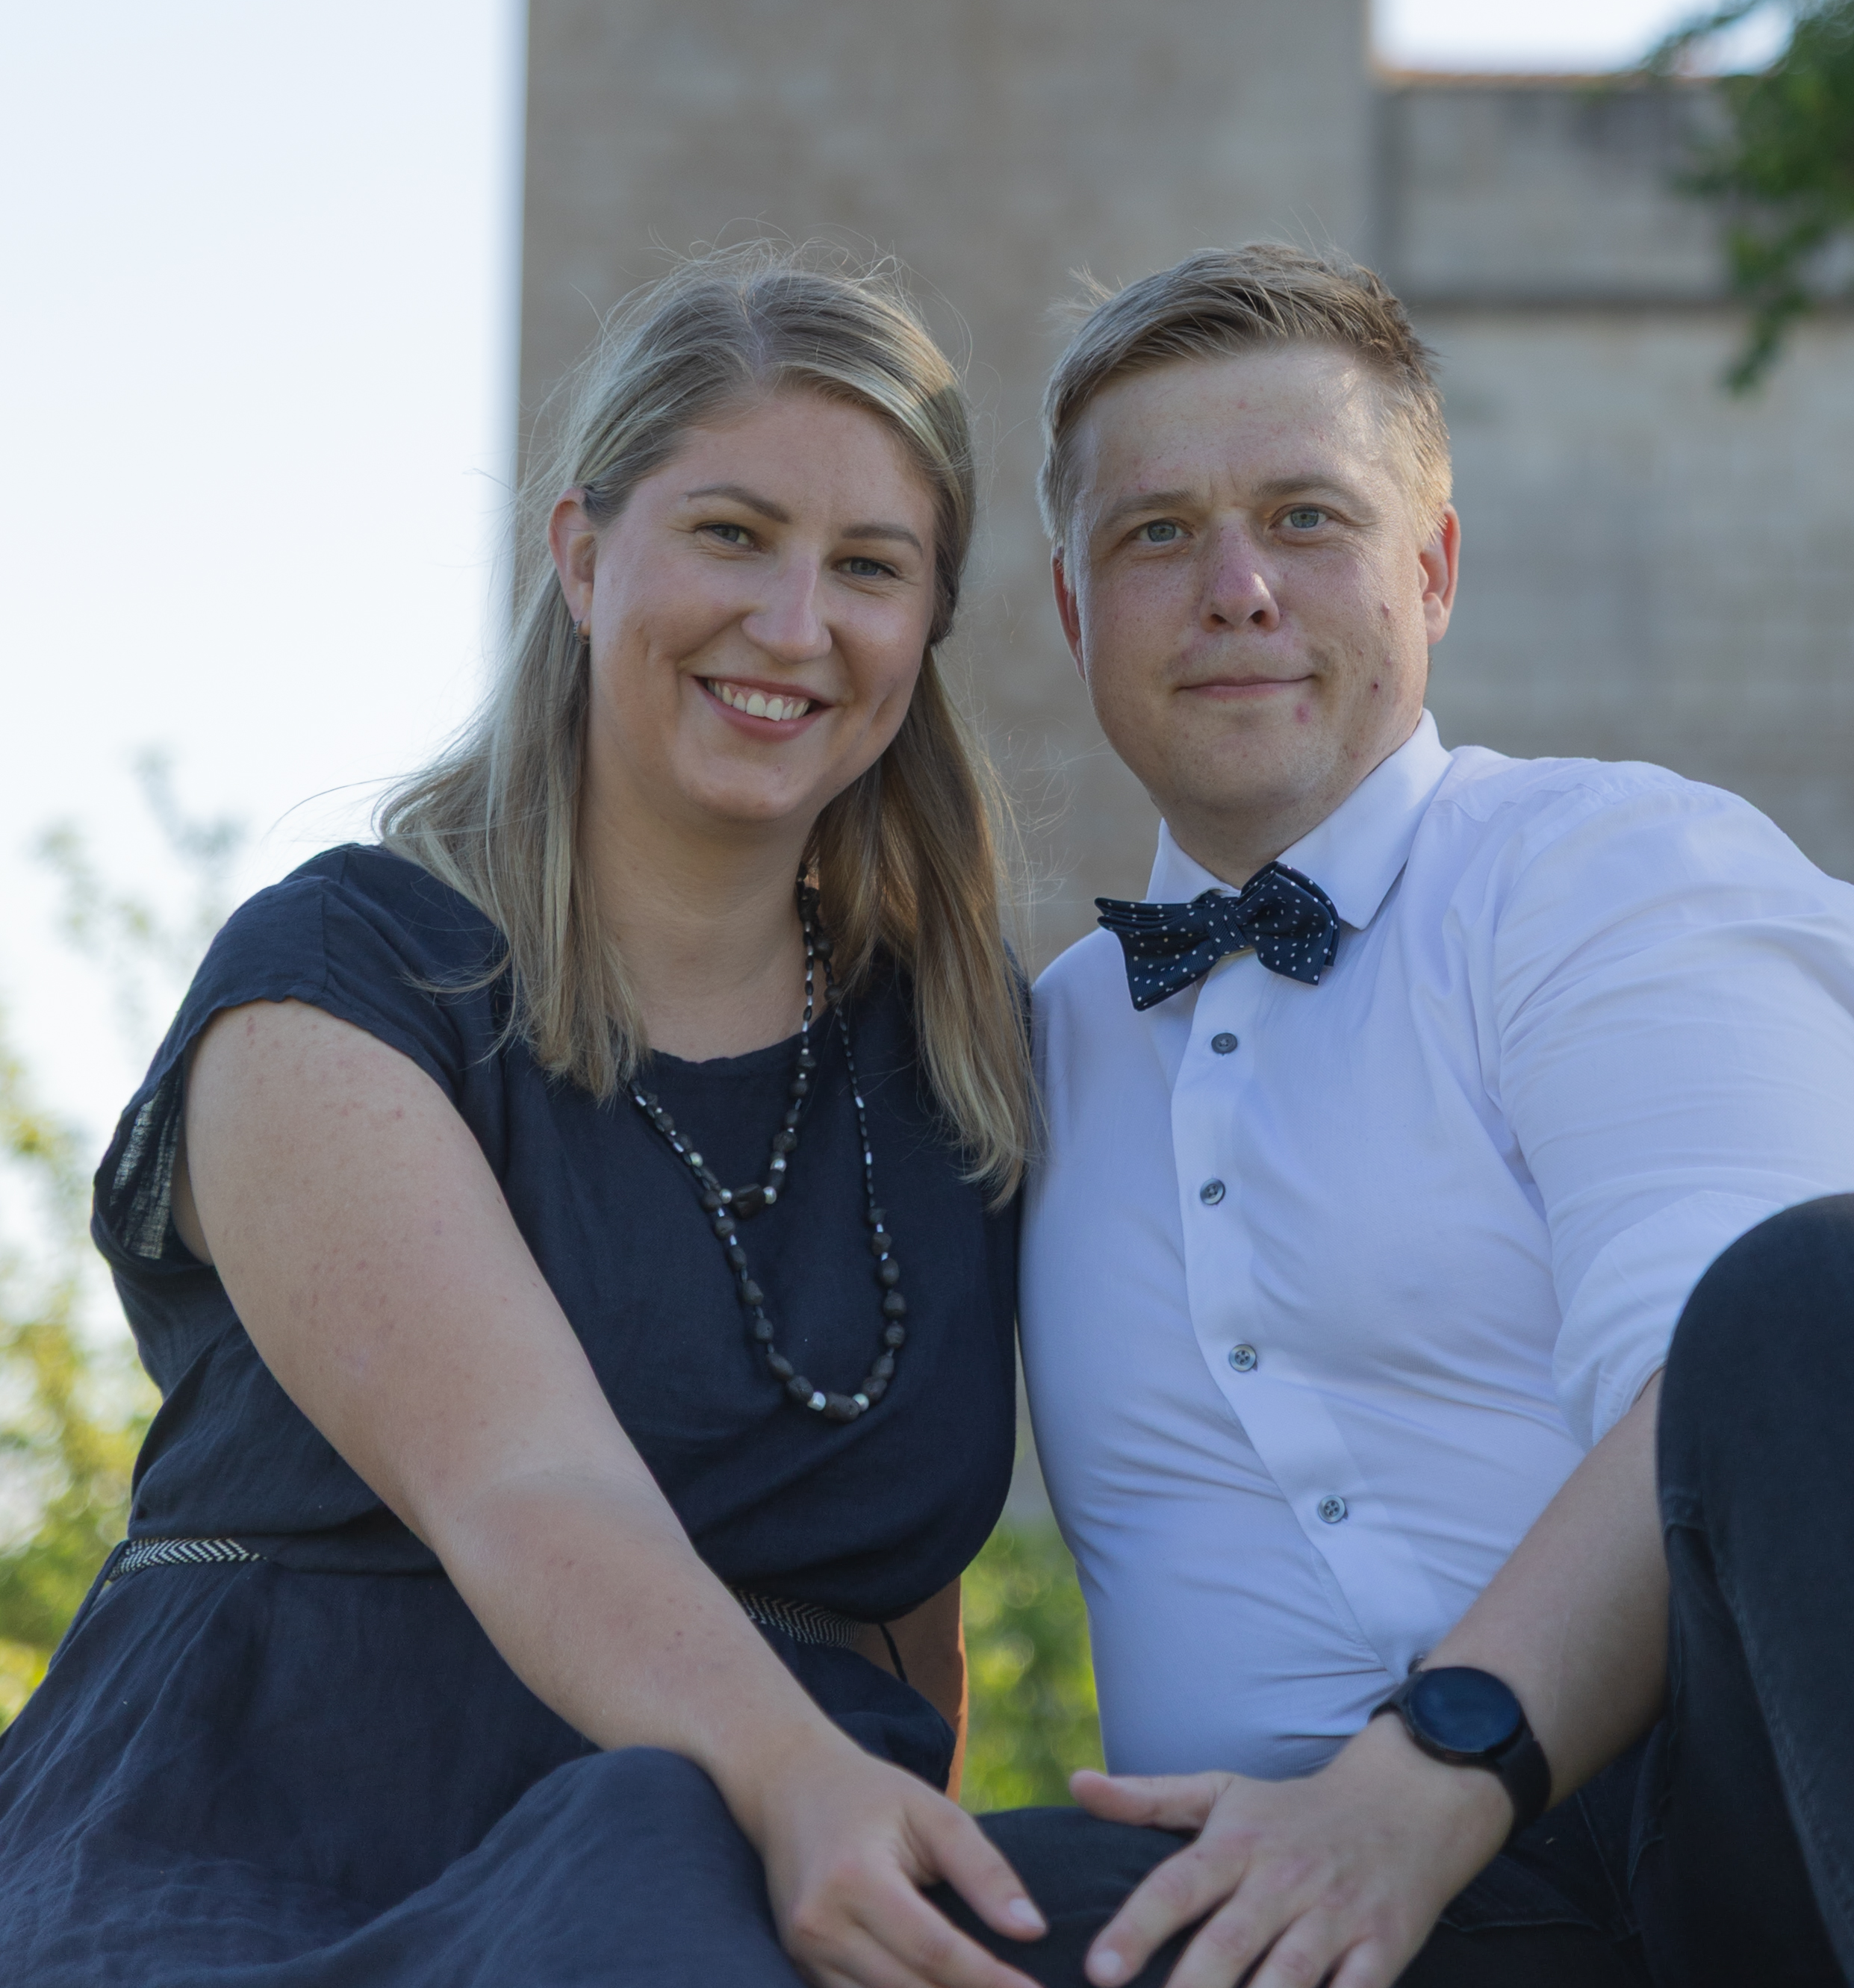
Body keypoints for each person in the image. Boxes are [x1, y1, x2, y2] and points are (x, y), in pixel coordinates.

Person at [1020, 241, 1854, 1988]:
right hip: (1281, 1899)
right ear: (1072, 611)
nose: (1237, 585)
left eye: (1305, 518)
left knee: (1848, 1286)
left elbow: (1752, 1399)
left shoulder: (1614, 872)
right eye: (1157, 532)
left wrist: (1421, 1777)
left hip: (1787, 1838)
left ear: (1433, 567)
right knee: (740, 1880)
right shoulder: (1014, 1054)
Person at [0, 252, 1147, 1988]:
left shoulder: (956, 1041)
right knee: (649, 1864)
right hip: (294, 1850)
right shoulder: (336, 981)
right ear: (583, 552)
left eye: (868, 565)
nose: (795, 621)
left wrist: (894, 1848)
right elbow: (523, 1483)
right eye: (732, 533)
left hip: (752, 1877)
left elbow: (900, 1609)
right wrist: (797, 1778)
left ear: (925, 623)